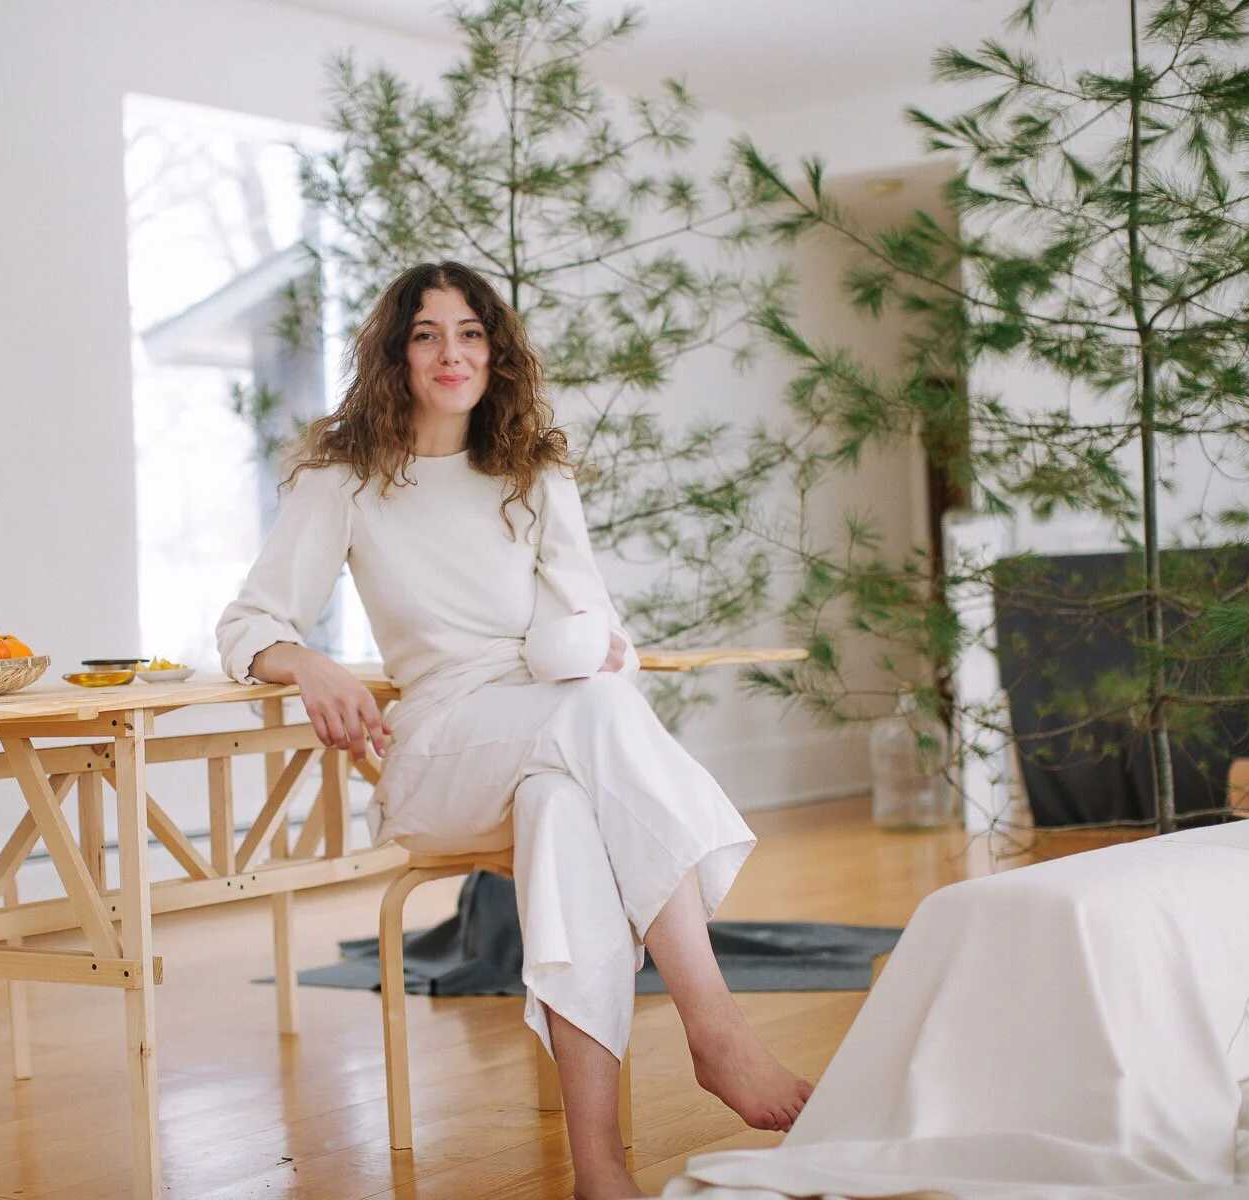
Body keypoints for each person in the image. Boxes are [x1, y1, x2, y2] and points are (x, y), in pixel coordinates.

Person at [216, 261, 812, 1200]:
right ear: (396, 354)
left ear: (495, 353)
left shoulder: (532, 472)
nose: (450, 353)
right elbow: (247, 623)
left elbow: (597, 634)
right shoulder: (346, 478)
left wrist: (589, 645)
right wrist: (310, 663)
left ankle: (597, 1168)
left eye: (470, 333)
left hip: (549, 733)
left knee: (564, 810)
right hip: (437, 755)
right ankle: (715, 1028)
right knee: (593, 718)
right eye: (426, 335)